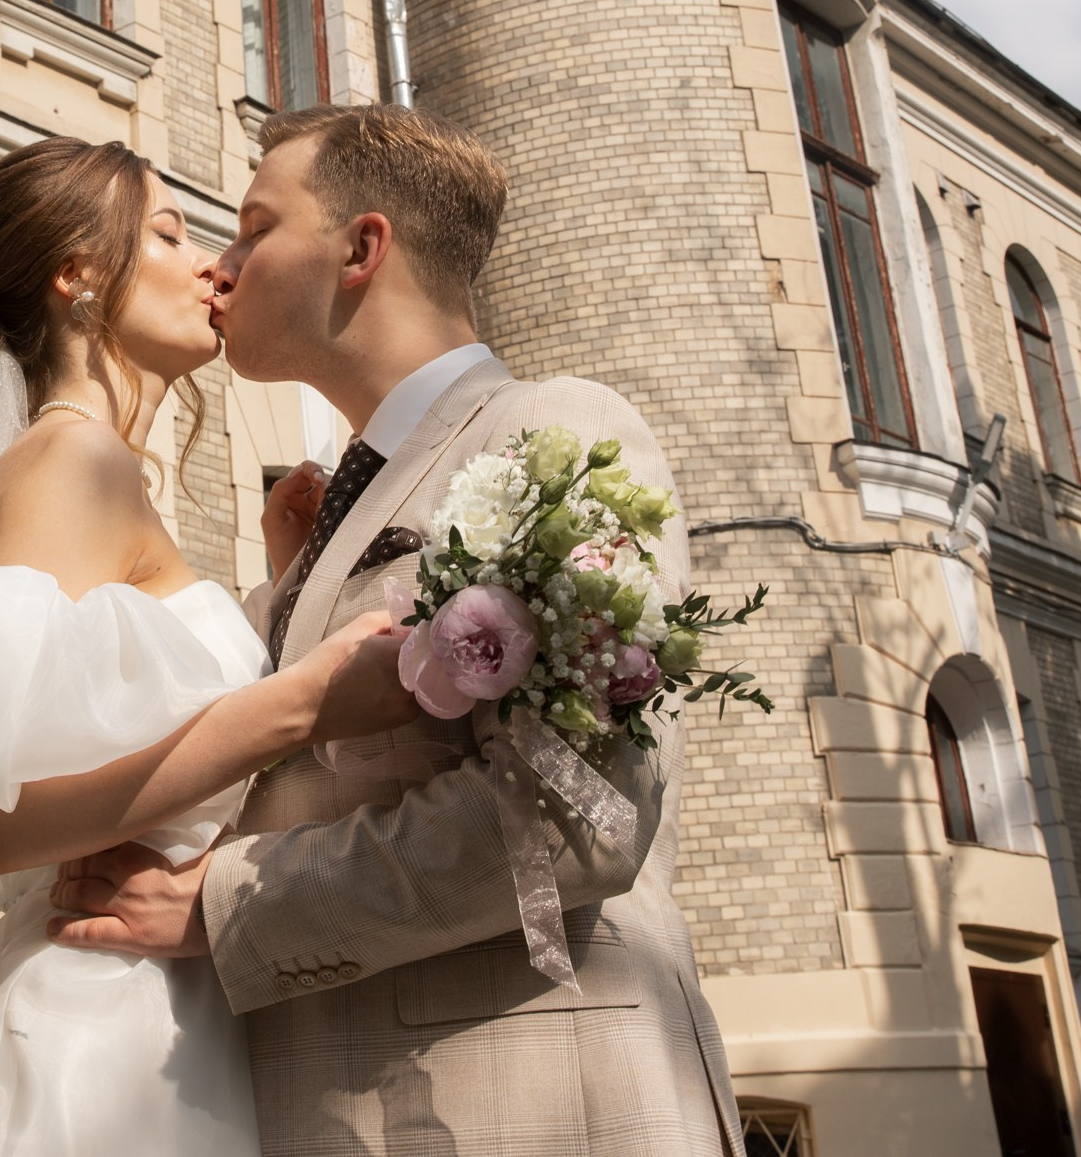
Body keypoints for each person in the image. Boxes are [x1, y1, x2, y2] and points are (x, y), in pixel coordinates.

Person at [48, 103, 741, 1156]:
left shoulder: (557, 430)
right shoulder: (332, 512)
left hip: (534, 1103)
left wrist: (228, 907)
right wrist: (293, 590)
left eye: (254, 228)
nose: (221, 268)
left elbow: (580, 811)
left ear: (361, 248)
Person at [0, 135, 419, 1157]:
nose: (212, 267)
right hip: (87, 1042)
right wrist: (302, 702)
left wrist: (282, 592)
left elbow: (107, 720)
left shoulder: (92, 466)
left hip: (151, 1011)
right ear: (77, 273)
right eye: (170, 234)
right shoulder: (72, 461)